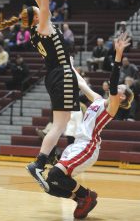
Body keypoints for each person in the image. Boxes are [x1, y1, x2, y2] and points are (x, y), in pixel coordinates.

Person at [0, 0, 80, 188]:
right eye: (39, 9)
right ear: (36, 17)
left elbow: (45, 5)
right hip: (61, 74)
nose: (43, 9)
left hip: (56, 75)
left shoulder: (37, 30)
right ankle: (40, 164)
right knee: (61, 125)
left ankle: (50, 155)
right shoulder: (42, 27)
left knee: (61, 123)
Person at [33, 33, 134, 219]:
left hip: (88, 146)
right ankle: (83, 198)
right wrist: (69, 67)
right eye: (119, 87)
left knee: (56, 174)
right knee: (51, 184)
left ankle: (86, 196)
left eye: (121, 89)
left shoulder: (112, 106)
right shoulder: (98, 100)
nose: (118, 87)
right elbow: (81, 84)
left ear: (122, 98)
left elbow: (112, 84)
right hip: (77, 146)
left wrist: (118, 55)